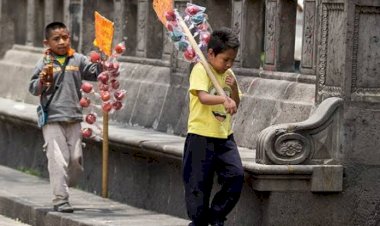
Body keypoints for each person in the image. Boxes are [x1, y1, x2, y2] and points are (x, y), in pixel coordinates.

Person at [29, 22, 101, 213]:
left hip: (74, 116)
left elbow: (95, 73)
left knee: (76, 160)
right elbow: (33, 87)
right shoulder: (44, 62)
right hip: (52, 117)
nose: (61, 42)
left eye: (65, 37)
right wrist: (42, 81)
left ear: (70, 38)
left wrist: (104, 61)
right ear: (47, 42)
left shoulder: (77, 59)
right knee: (58, 159)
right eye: (56, 39)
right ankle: (60, 198)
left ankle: (62, 183)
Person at [183, 27, 244, 226]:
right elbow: (202, 96)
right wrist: (223, 98)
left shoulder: (229, 74)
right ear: (211, 53)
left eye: (232, 60)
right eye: (225, 59)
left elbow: (236, 102)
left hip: (225, 136)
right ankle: (199, 222)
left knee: (235, 176)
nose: (229, 64)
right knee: (198, 187)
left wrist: (233, 89)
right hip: (200, 136)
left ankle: (216, 215)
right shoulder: (201, 69)